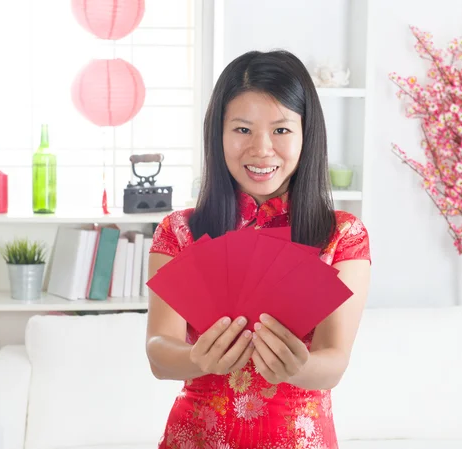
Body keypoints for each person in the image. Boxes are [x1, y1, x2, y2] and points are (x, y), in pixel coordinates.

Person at [146, 49, 371, 449]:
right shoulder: (178, 231)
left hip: (301, 439)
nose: (262, 149)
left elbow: (334, 362)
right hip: (196, 437)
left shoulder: (342, 235)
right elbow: (159, 354)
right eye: (243, 129)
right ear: (218, 134)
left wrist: (298, 367)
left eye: (282, 130)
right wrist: (197, 358)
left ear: (307, 135)